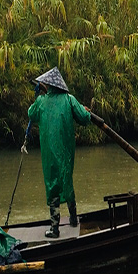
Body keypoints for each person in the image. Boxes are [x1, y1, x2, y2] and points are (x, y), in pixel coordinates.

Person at [27, 67, 92, 238]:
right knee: (66, 180)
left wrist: (39, 98)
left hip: (48, 153)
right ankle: (73, 219)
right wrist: (87, 112)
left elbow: (31, 114)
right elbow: (84, 118)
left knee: (52, 184)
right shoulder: (69, 99)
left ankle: (55, 229)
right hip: (66, 152)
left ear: (48, 85)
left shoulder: (41, 102)